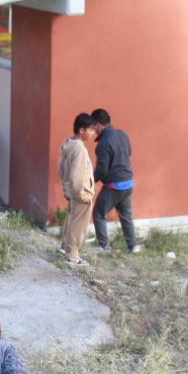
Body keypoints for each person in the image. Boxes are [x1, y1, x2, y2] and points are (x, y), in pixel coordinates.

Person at [91, 108, 139, 254]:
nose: (93, 130)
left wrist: (90, 180)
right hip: (128, 183)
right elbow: (128, 153)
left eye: (93, 127)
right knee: (126, 216)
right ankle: (132, 246)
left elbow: (102, 169)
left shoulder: (103, 143)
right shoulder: (122, 134)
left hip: (114, 186)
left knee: (98, 213)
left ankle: (104, 246)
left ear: (98, 125)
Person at [58, 113, 98, 266]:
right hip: (80, 192)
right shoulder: (79, 148)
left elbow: (61, 167)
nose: (93, 133)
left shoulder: (69, 143)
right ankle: (72, 256)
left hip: (72, 190)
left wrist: (66, 186)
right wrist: (81, 193)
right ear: (82, 130)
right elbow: (78, 174)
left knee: (71, 219)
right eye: (91, 130)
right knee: (79, 224)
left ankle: (65, 246)